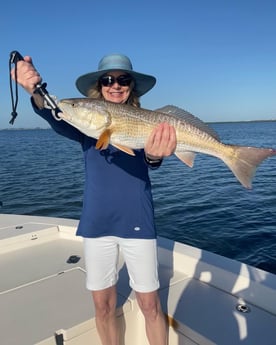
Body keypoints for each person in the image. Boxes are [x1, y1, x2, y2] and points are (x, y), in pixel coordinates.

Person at [11, 53, 177, 345]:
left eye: (123, 79)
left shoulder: (145, 121)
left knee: (150, 305)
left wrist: (153, 156)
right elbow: (51, 111)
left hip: (137, 220)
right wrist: (34, 89)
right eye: (108, 80)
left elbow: (151, 160)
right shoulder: (86, 128)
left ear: (132, 87)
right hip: (96, 223)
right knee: (102, 306)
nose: (116, 85)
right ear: (99, 87)